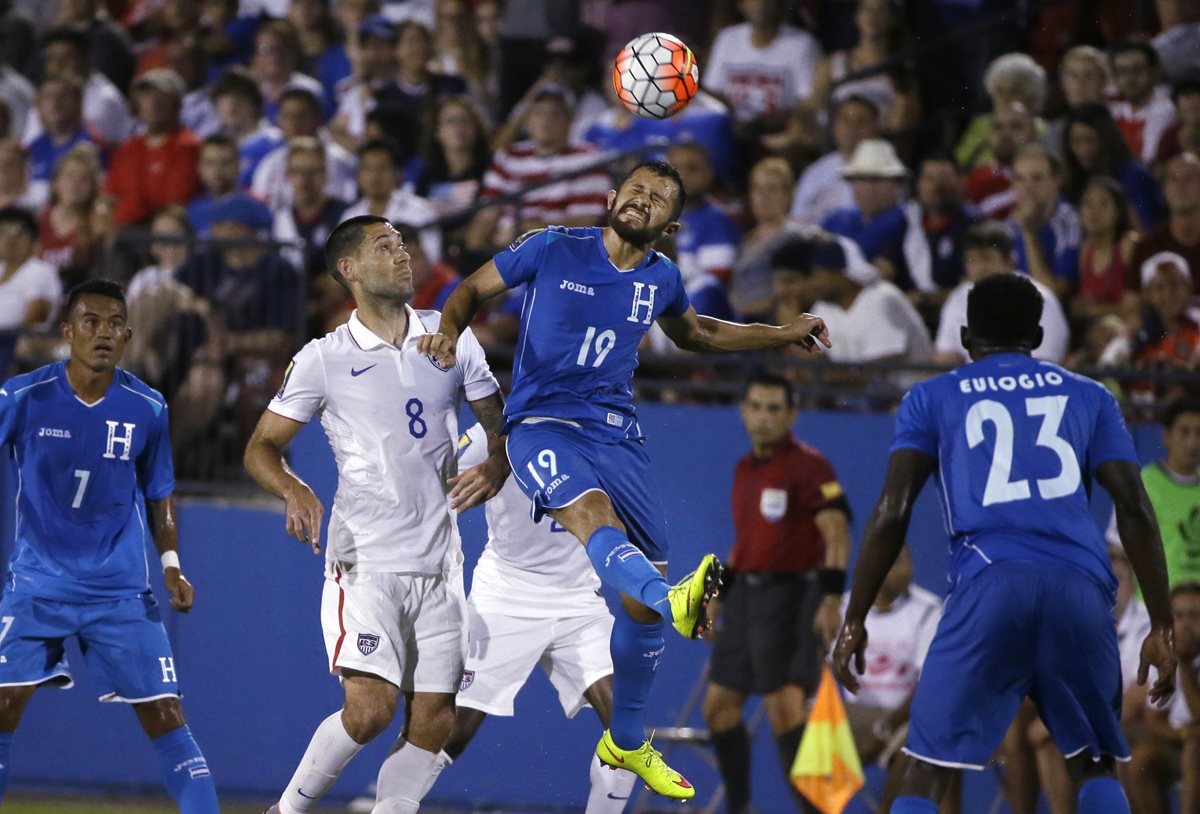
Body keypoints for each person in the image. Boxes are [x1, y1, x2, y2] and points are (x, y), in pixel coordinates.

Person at [417, 160, 832, 798]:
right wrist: (448, 332)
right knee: (594, 519)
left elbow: (698, 333)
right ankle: (677, 606)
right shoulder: (554, 247)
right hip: (541, 423)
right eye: (635, 190)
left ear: (671, 224)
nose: (642, 200)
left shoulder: (662, 277)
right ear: (611, 199)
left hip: (617, 432)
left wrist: (780, 333)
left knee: (646, 582)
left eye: (658, 198)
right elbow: (469, 291)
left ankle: (630, 740)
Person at [832, 271, 1178, 814]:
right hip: (1082, 589)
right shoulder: (1091, 397)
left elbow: (892, 511)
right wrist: (1161, 622)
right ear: (1039, 337)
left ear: (967, 337)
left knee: (926, 765)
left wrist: (855, 618)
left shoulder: (932, 397)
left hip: (990, 582)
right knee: (1092, 761)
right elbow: (1134, 509)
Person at [244, 215, 510, 814]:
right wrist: (292, 488)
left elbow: (501, 424)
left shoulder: (452, 335)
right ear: (349, 270)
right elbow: (260, 447)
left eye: (403, 243)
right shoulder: (324, 357)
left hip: (441, 565)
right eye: (384, 246)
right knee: (369, 712)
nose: (402, 253)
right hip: (365, 563)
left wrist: (496, 463)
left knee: (434, 722)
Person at [0, 279, 219, 811]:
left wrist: (171, 565)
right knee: (3, 703)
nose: (102, 333)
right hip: (38, 585)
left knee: (165, 714)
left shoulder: (147, 406)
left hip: (119, 592)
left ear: (126, 335)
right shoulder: (23, 396)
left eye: (113, 324)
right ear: (68, 330)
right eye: (90, 322)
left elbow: (159, 490)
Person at [420, 422, 637, 813]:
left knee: (629, 728)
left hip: (577, 600)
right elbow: (432, 478)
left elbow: (632, 520)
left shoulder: (606, 432)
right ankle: (389, 803)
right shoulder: (493, 431)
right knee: (451, 730)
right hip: (506, 593)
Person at [704, 372, 852, 814]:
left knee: (785, 707)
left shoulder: (811, 466)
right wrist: (717, 595)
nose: (764, 418)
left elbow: (837, 531)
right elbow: (745, 542)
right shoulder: (743, 468)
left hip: (793, 597)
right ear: (743, 412)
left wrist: (830, 600)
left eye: (774, 409)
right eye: (756, 407)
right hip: (748, 599)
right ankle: (740, 807)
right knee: (718, 708)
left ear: (792, 415)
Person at [840, 548, 952, 813]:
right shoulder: (845, 610)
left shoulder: (928, 610)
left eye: (909, 561)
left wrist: (885, 727)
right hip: (852, 715)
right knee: (807, 739)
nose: (907, 570)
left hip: (903, 716)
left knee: (915, 746)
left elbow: (928, 686)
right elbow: (822, 671)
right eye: (898, 562)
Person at [934, 224, 1069, 365]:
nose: (980, 268)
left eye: (987, 258)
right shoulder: (959, 297)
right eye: (972, 260)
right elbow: (946, 357)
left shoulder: (1037, 298)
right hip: (974, 382)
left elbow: (1043, 363)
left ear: (1010, 260)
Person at [1126, 581, 1200, 814]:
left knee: (1194, 750)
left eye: (1194, 615)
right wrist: (1183, 735)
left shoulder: (1184, 657)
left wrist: (1186, 665)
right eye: (1178, 616)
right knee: (1136, 756)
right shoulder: (1166, 654)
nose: (1185, 625)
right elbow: (1155, 717)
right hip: (1182, 739)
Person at [1006, 144, 1082, 299]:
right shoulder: (1009, 225)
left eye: (1037, 178)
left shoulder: (1071, 222)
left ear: (1056, 182)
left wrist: (1028, 230)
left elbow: (1050, 295)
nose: (1027, 187)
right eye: (1019, 178)